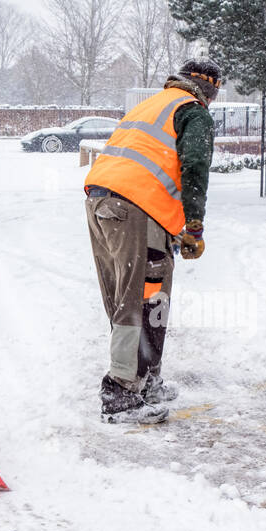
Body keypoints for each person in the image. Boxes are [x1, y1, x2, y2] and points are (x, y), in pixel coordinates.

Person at [83, 58, 220, 423]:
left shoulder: (151, 105)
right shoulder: (194, 112)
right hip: (136, 209)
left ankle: (144, 379)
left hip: (100, 201)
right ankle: (120, 392)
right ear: (210, 89)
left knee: (125, 294)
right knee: (143, 296)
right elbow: (194, 166)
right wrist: (194, 226)